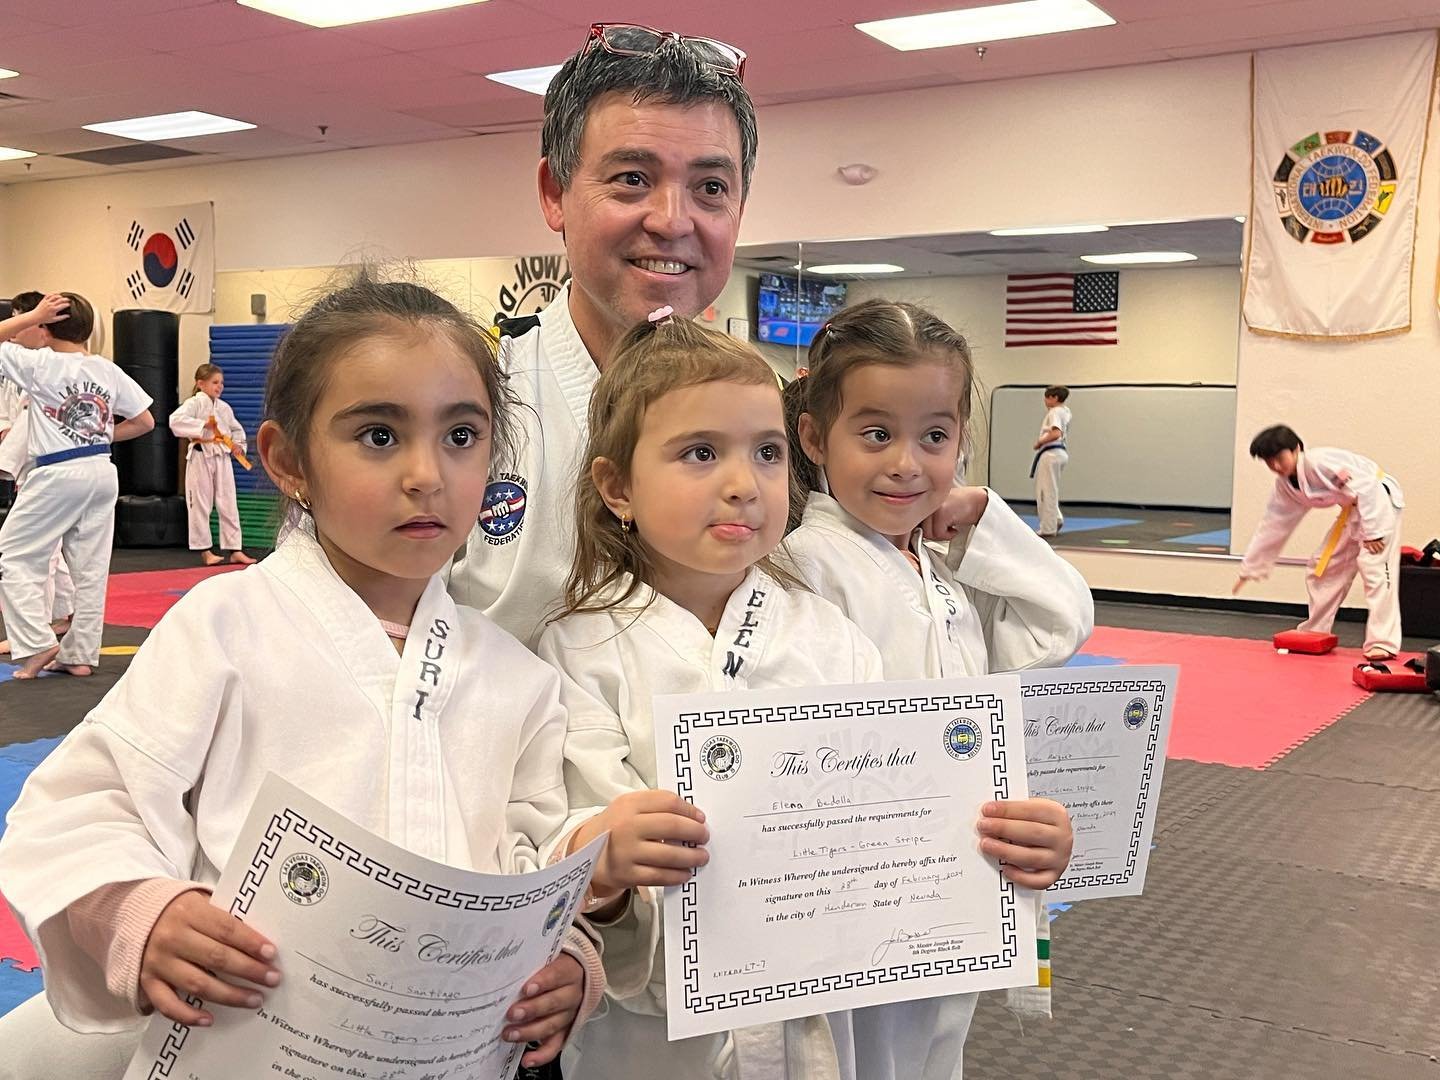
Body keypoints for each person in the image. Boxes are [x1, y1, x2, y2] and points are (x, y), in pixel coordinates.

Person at [0, 277, 602, 1076]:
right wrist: (146, 914)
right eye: (379, 437)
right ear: (288, 461)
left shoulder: (516, 679)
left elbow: (540, 866)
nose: (428, 473)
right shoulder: (226, 627)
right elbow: (82, 803)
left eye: (462, 435)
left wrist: (570, 964)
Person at [535, 314, 880, 1079]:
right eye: (700, 453)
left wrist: (986, 843)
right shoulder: (579, 650)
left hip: (807, 1000)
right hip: (652, 1031)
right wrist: (607, 855)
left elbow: (892, 809)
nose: (742, 483)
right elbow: (558, 839)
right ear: (616, 486)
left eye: (767, 452)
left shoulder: (836, 642)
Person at [786, 299, 1091, 1077]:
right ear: (816, 437)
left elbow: (1060, 623)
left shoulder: (944, 570)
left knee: (935, 1053)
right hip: (853, 896)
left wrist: (986, 514)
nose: (907, 464)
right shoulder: (805, 566)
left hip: (953, 885)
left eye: (935, 436)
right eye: (876, 433)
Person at [447, 23, 758, 644]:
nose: (673, 221)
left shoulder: (778, 427)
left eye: (711, 188)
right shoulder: (471, 401)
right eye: (632, 179)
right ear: (554, 193)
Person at [0, 293, 155, 679]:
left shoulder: (40, 364)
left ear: (47, 328)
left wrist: (33, 315)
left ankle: (36, 642)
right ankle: (79, 655)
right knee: (91, 569)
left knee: (15, 556)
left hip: (56, 473)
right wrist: (95, 435)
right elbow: (145, 422)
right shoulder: (106, 369)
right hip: (101, 469)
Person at [1234, 424, 1404, 660]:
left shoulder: (1319, 462)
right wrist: (1252, 566)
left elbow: (1368, 485)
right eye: (1269, 461)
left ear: (1296, 449)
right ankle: (1316, 630)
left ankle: (1383, 642)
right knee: (1322, 566)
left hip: (1379, 505)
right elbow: (1273, 524)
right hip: (1353, 510)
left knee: (1375, 569)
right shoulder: (1285, 485)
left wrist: (1374, 532)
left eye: (1279, 458)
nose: (1276, 466)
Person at [0, 291, 74, 658]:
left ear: (43, 327)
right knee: (50, 550)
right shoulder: (26, 362)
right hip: (42, 465)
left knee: (26, 552)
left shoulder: (48, 363)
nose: (15, 330)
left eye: (23, 322)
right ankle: (62, 613)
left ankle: (33, 631)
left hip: (47, 466)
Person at [169, 362, 256, 566]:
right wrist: (201, 426)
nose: (220, 386)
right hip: (201, 455)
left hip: (222, 456)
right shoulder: (194, 403)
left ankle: (235, 549)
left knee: (228, 501)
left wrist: (238, 446)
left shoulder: (224, 408)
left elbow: (236, 430)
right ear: (201, 384)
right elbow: (175, 421)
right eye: (215, 382)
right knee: (200, 503)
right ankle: (205, 551)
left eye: (222, 383)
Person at [1032, 385, 1071, 537]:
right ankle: (1056, 518)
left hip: (1051, 453)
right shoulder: (1066, 412)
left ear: (1054, 398)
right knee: (1050, 488)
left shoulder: (1055, 412)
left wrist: (1039, 442)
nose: (1045, 400)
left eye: (1047, 397)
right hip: (1059, 453)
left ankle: (1048, 528)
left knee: (1045, 491)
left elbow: (1056, 433)